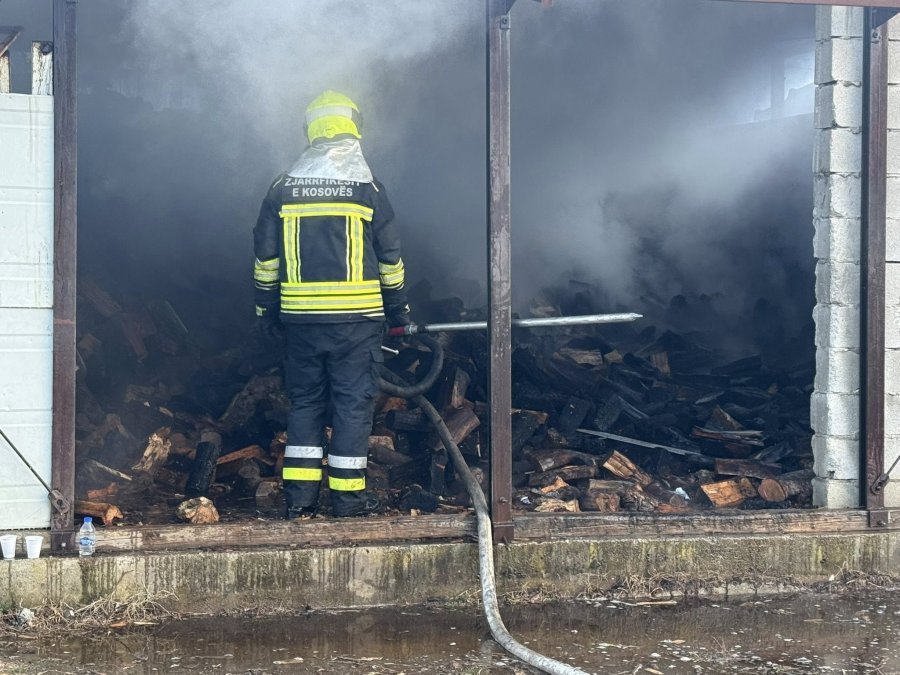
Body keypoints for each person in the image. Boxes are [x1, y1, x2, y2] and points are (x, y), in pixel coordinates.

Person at [252, 90, 409, 518]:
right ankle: (347, 503)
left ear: (311, 130)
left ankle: (299, 503)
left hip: (301, 322)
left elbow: (266, 259)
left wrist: (266, 309)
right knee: (352, 405)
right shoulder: (367, 189)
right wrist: (400, 312)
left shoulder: (282, 188)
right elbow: (390, 258)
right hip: (357, 324)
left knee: (305, 404)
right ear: (353, 128)